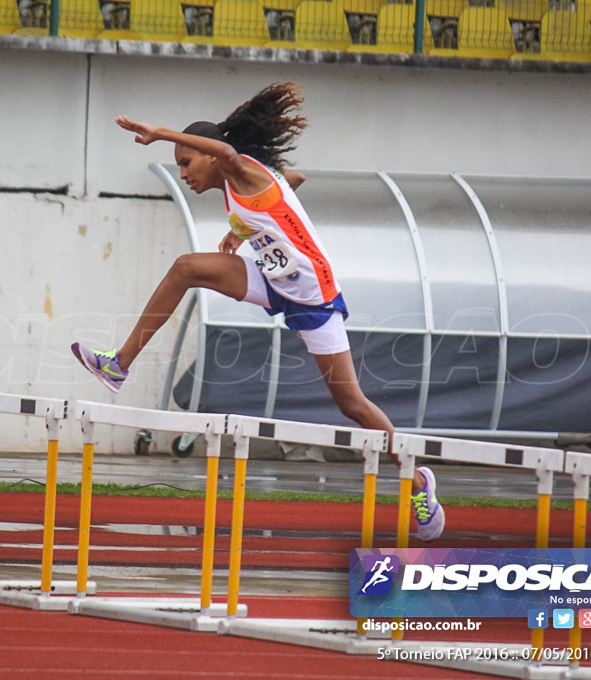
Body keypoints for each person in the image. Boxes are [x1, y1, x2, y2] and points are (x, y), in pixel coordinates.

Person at [72, 83, 444, 541]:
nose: (185, 174)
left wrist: (162, 132)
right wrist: (243, 230)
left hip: (313, 295)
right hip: (272, 280)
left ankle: (417, 481)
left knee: (353, 404)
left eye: (186, 162)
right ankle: (119, 364)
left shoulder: (241, 168)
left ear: (211, 157)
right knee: (186, 268)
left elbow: (236, 157)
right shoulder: (239, 184)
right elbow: (295, 180)